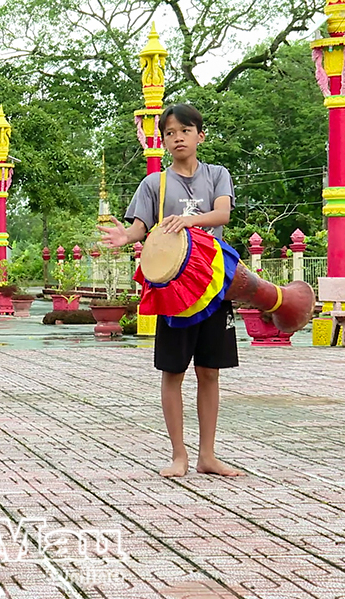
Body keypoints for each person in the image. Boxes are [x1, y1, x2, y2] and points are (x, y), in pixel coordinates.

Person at [99, 104, 243, 478]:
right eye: (169, 133)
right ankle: (179, 455)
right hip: (174, 293)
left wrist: (187, 220)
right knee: (173, 372)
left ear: (200, 135)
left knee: (210, 372)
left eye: (184, 130)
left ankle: (207, 456)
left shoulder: (217, 175)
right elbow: (139, 229)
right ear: (163, 140)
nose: (177, 137)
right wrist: (125, 236)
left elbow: (223, 214)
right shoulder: (155, 184)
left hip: (214, 288)